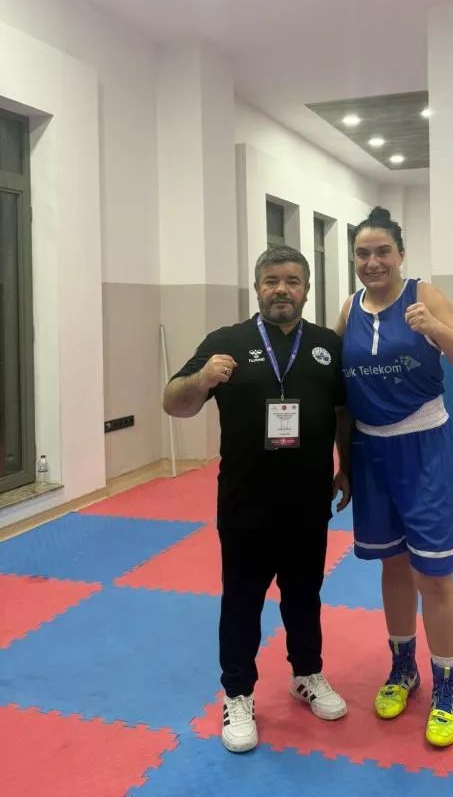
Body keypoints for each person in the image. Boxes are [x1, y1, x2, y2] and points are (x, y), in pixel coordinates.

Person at [163, 246, 351, 754]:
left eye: (292, 280)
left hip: (308, 501)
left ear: (307, 289)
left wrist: (347, 468)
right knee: (242, 602)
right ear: (257, 287)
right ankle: (238, 693)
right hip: (245, 503)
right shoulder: (226, 342)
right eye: (271, 281)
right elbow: (173, 403)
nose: (281, 289)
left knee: (304, 596)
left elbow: (343, 413)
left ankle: (306, 673)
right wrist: (202, 378)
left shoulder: (327, 346)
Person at [335, 206, 453, 750]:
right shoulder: (348, 309)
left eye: (382, 252)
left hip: (424, 448)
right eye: (362, 253)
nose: (372, 262)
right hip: (370, 451)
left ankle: (447, 687)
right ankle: (403, 668)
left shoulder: (425, 294)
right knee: (393, 565)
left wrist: (434, 328)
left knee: (434, 574)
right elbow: (339, 394)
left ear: (400, 254)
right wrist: (343, 463)